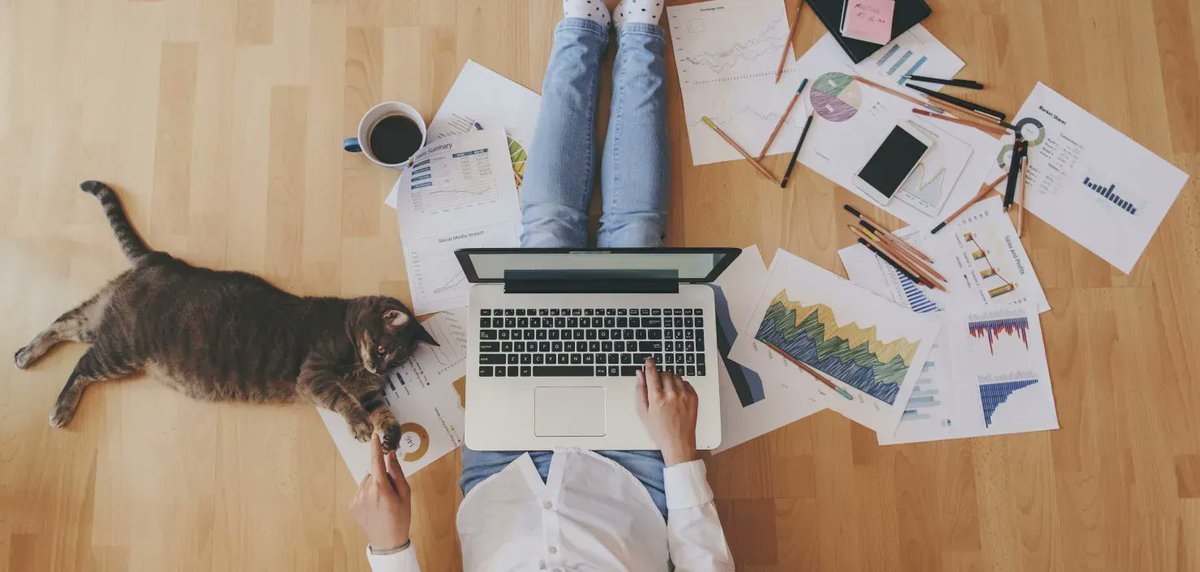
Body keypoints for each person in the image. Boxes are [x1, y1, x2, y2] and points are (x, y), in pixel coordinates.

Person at [349, 1, 735, 569]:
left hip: (503, 471)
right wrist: (679, 455)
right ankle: (639, 32)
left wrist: (389, 547)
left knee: (549, 232)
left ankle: (582, 27)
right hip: (631, 475)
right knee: (633, 239)